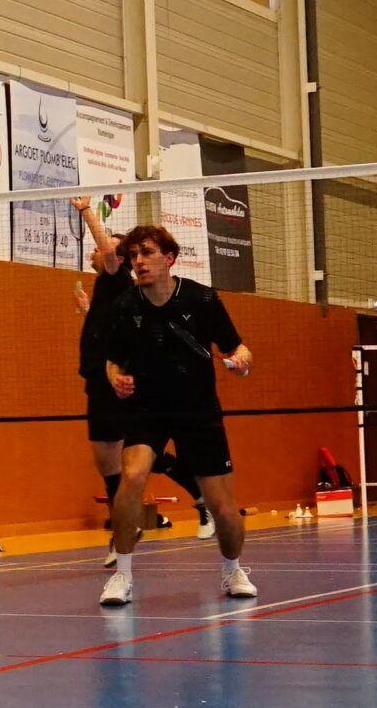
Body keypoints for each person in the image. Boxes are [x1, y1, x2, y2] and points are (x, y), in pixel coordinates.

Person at [94, 224, 255, 607]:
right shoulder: (125, 307)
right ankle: (122, 574)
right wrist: (115, 379)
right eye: (134, 255)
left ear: (169, 259)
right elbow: (113, 362)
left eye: (147, 253)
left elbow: (238, 348)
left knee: (223, 508)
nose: (138, 261)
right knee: (132, 476)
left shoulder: (202, 300)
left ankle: (233, 569)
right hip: (147, 409)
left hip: (198, 410)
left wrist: (240, 362)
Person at [72, 197, 214, 561]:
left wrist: (85, 210)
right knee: (108, 460)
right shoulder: (110, 287)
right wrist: (88, 311)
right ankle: (137, 520)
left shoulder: (116, 273)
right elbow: (108, 327)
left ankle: (194, 497)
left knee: (136, 452)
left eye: (103, 250)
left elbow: (108, 249)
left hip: (118, 380)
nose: (95, 252)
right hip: (96, 380)